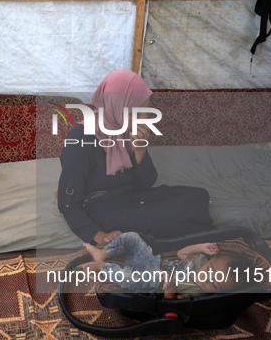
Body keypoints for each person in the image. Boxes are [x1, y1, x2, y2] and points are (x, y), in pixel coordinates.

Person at [58, 70, 213, 247]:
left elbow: (144, 184)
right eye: (138, 112)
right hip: (103, 209)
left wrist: (140, 150)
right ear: (118, 107)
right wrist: (97, 235)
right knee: (172, 219)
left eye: (146, 110)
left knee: (196, 196)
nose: (145, 119)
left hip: (131, 199)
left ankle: (196, 236)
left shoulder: (124, 130)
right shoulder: (80, 137)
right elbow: (68, 203)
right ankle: (201, 242)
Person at [83, 232, 253, 298]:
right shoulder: (200, 260)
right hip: (152, 261)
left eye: (214, 285)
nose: (205, 278)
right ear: (210, 261)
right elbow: (182, 253)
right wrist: (200, 247)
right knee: (133, 237)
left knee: (129, 279)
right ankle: (103, 253)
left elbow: (172, 302)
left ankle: (101, 266)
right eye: (209, 270)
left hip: (151, 281)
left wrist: (170, 287)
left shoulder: (197, 293)